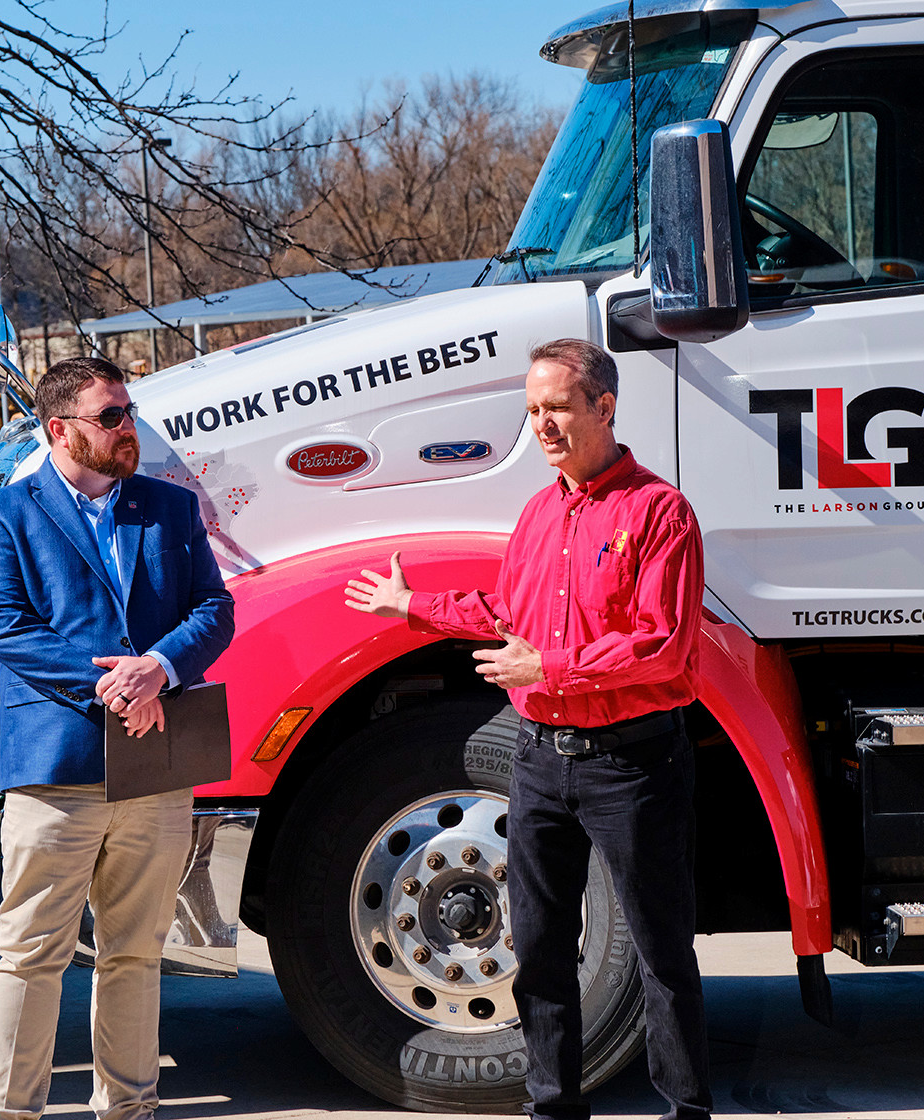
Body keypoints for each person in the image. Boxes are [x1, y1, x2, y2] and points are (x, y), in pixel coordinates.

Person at [345, 338, 710, 1120]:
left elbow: (663, 646)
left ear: (604, 409)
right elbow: (509, 615)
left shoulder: (659, 512)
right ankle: (552, 1110)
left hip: (632, 767)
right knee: (539, 956)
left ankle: (687, 1111)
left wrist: (551, 668)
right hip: (542, 762)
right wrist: (413, 606)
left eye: (557, 408)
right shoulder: (542, 511)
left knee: (660, 956)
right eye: (533, 409)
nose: (541, 425)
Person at [0, 354, 235, 1120]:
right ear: (60, 430)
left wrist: (159, 666)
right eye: (109, 416)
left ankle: (129, 1108)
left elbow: (215, 610)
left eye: (129, 413)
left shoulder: (169, 509)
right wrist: (113, 683)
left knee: (136, 953)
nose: (128, 430)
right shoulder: (3, 516)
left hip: (155, 767)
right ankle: (8, 1112)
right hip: (56, 770)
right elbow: (5, 628)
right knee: (29, 955)